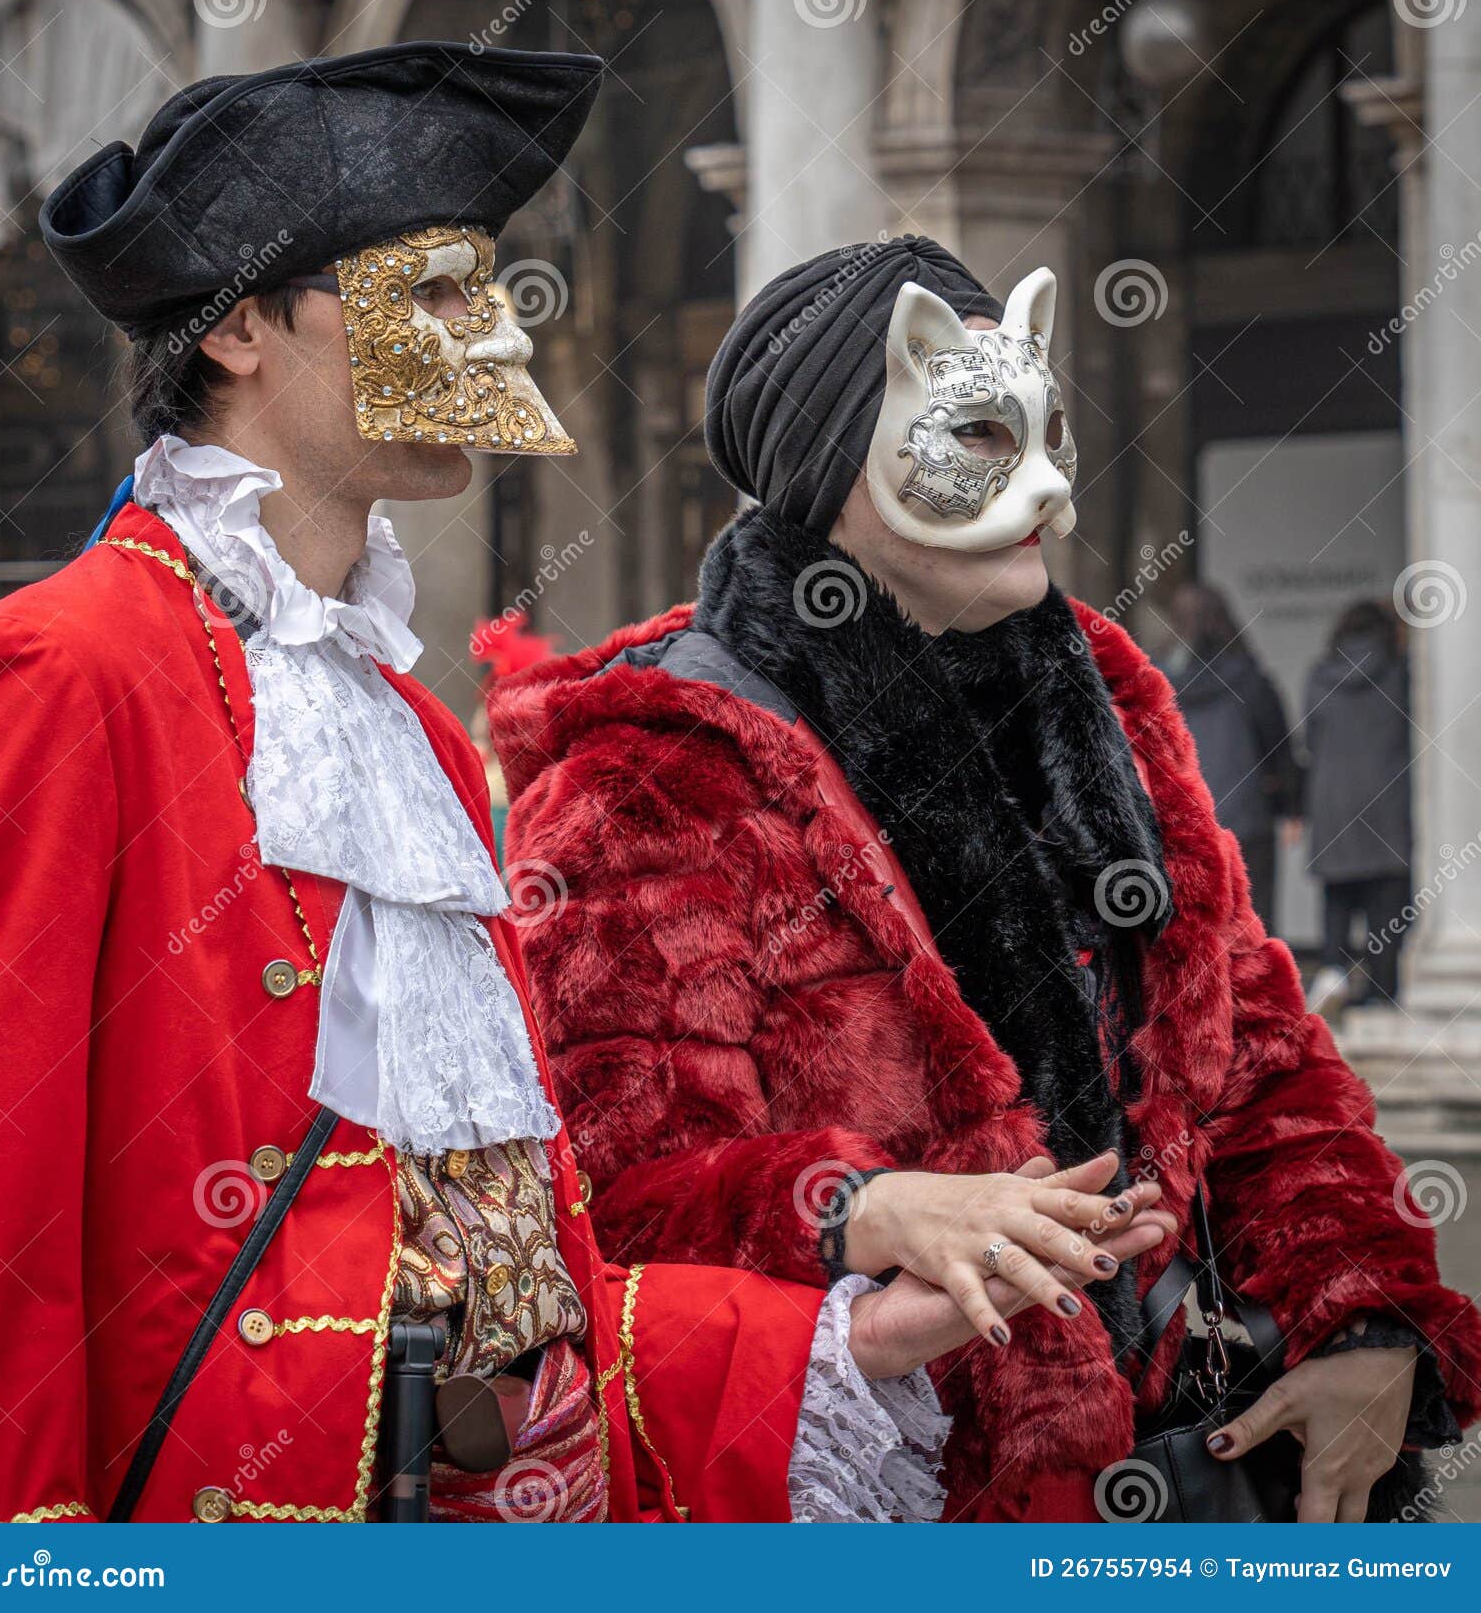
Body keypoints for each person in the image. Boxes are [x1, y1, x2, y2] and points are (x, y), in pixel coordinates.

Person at [0, 49, 1170, 1527]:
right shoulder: (64, 670)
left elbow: (512, 1273)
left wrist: (837, 1336)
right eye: (430, 291)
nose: (490, 335)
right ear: (239, 325)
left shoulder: (422, 742)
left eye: (485, 291)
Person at [490, 236, 1481, 1522]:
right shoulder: (649, 773)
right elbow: (609, 1198)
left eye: (1050, 434)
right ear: (835, 462)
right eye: (980, 438)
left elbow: (1260, 1061)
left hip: (1185, 1475)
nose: (1054, 494)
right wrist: (867, 1208)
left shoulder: (1105, 714)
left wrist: (1366, 1322)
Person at [1163, 583, 1301, 929]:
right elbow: (1278, 746)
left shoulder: (1157, 682)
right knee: (1251, 929)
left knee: (1190, 931)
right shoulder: (1249, 679)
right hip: (1247, 820)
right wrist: (1290, 807)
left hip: (1180, 826)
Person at [1301, 599, 1413, 1012]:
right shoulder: (1402, 675)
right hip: (1387, 803)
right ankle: (1381, 991)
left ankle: (1333, 971)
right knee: (1386, 901)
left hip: (1334, 803)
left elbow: (1310, 739)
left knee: (1338, 893)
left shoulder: (1319, 675)